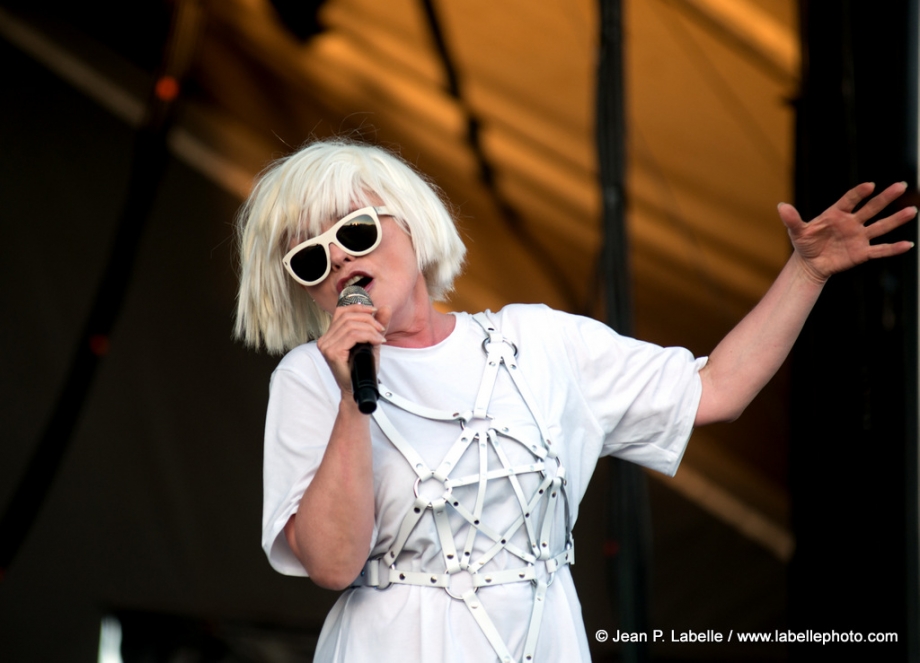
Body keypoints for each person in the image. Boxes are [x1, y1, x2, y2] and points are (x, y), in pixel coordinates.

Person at [234, 138, 915, 663]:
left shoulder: (540, 340)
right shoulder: (308, 377)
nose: (340, 261)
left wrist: (806, 271)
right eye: (310, 260)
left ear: (409, 220)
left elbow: (713, 390)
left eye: (354, 232)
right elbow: (330, 563)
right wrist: (356, 397)